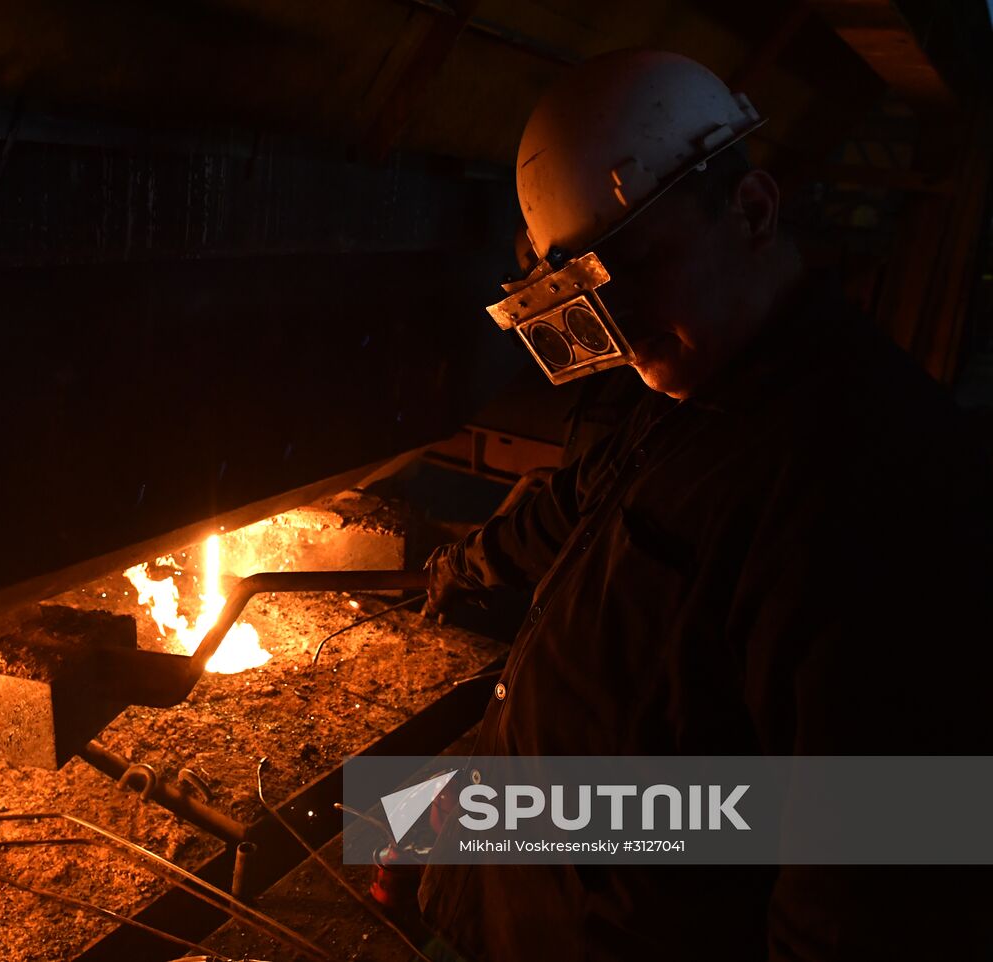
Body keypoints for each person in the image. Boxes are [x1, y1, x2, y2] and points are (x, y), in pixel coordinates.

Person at [416, 49, 992, 960]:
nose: (622, 325)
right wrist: (456, 567)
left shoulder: (883, 487)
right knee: (373, 812)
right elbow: (587, 507)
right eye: (590, 293)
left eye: (637, 268)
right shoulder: (701, 385)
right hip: (518, 878)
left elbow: (874, 885)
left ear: (752, 210)